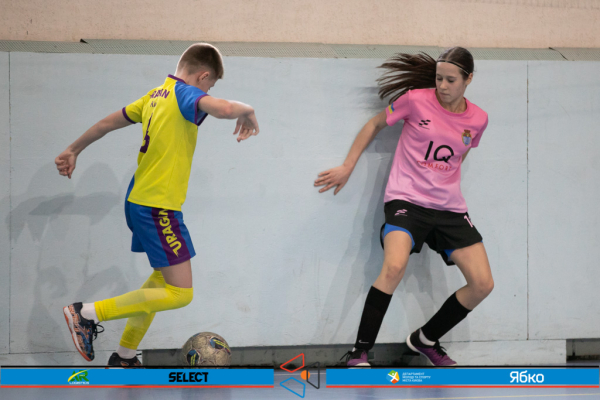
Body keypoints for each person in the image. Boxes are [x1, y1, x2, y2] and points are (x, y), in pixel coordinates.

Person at [56, 43, 260, 367]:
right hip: (157, 208)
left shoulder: (154, 96)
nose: (208, 92)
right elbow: (222, 109)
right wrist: (247, 109)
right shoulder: (185, 94)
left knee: (162, 282)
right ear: (203, 76)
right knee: (181, 293)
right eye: (210, 85)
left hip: (140, 201)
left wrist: (73, 149)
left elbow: (107, 123)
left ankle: (124, 357)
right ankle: (86, 313)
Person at [315, 47, 492, 367]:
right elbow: (374, 124)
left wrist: (443, 180)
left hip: (449, 208)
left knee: (482, 284)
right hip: (406, 200)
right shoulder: (415, 100)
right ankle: (359, 353)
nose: (442, 85)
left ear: (468, 79)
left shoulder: (478, 118)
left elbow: (459, 153)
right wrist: (347, 166)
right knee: (394, 267)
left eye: (451, 80)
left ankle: (425, 339)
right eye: (438, 78)